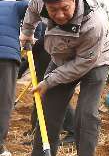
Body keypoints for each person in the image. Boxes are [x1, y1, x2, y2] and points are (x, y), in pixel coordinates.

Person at [17, 0, 109, 156]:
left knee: (86, 114)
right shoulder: (39, 0)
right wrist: (27, 32)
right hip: (61, 57)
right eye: (53, 10)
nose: (59, 15)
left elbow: (82, 64)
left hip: (94, 61)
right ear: (45, 3)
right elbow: (32, 12)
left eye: (65, 8)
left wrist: (49, 80)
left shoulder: (94, 23)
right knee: (47, 114)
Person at [17, 11, 77, 145]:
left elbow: (34, 48)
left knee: (54, 98)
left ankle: (73, 131)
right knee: (38, 97)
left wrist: (20, 70)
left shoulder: (40, 23)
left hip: (50, 59)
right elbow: (31, 52)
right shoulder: (34, 23)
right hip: (41, 60)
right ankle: (36, 131)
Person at [0, 0, 29, 156]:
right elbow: (32, 6)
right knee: (4, 102)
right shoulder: (13, 5)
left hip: (7, 55)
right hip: (6, 57)